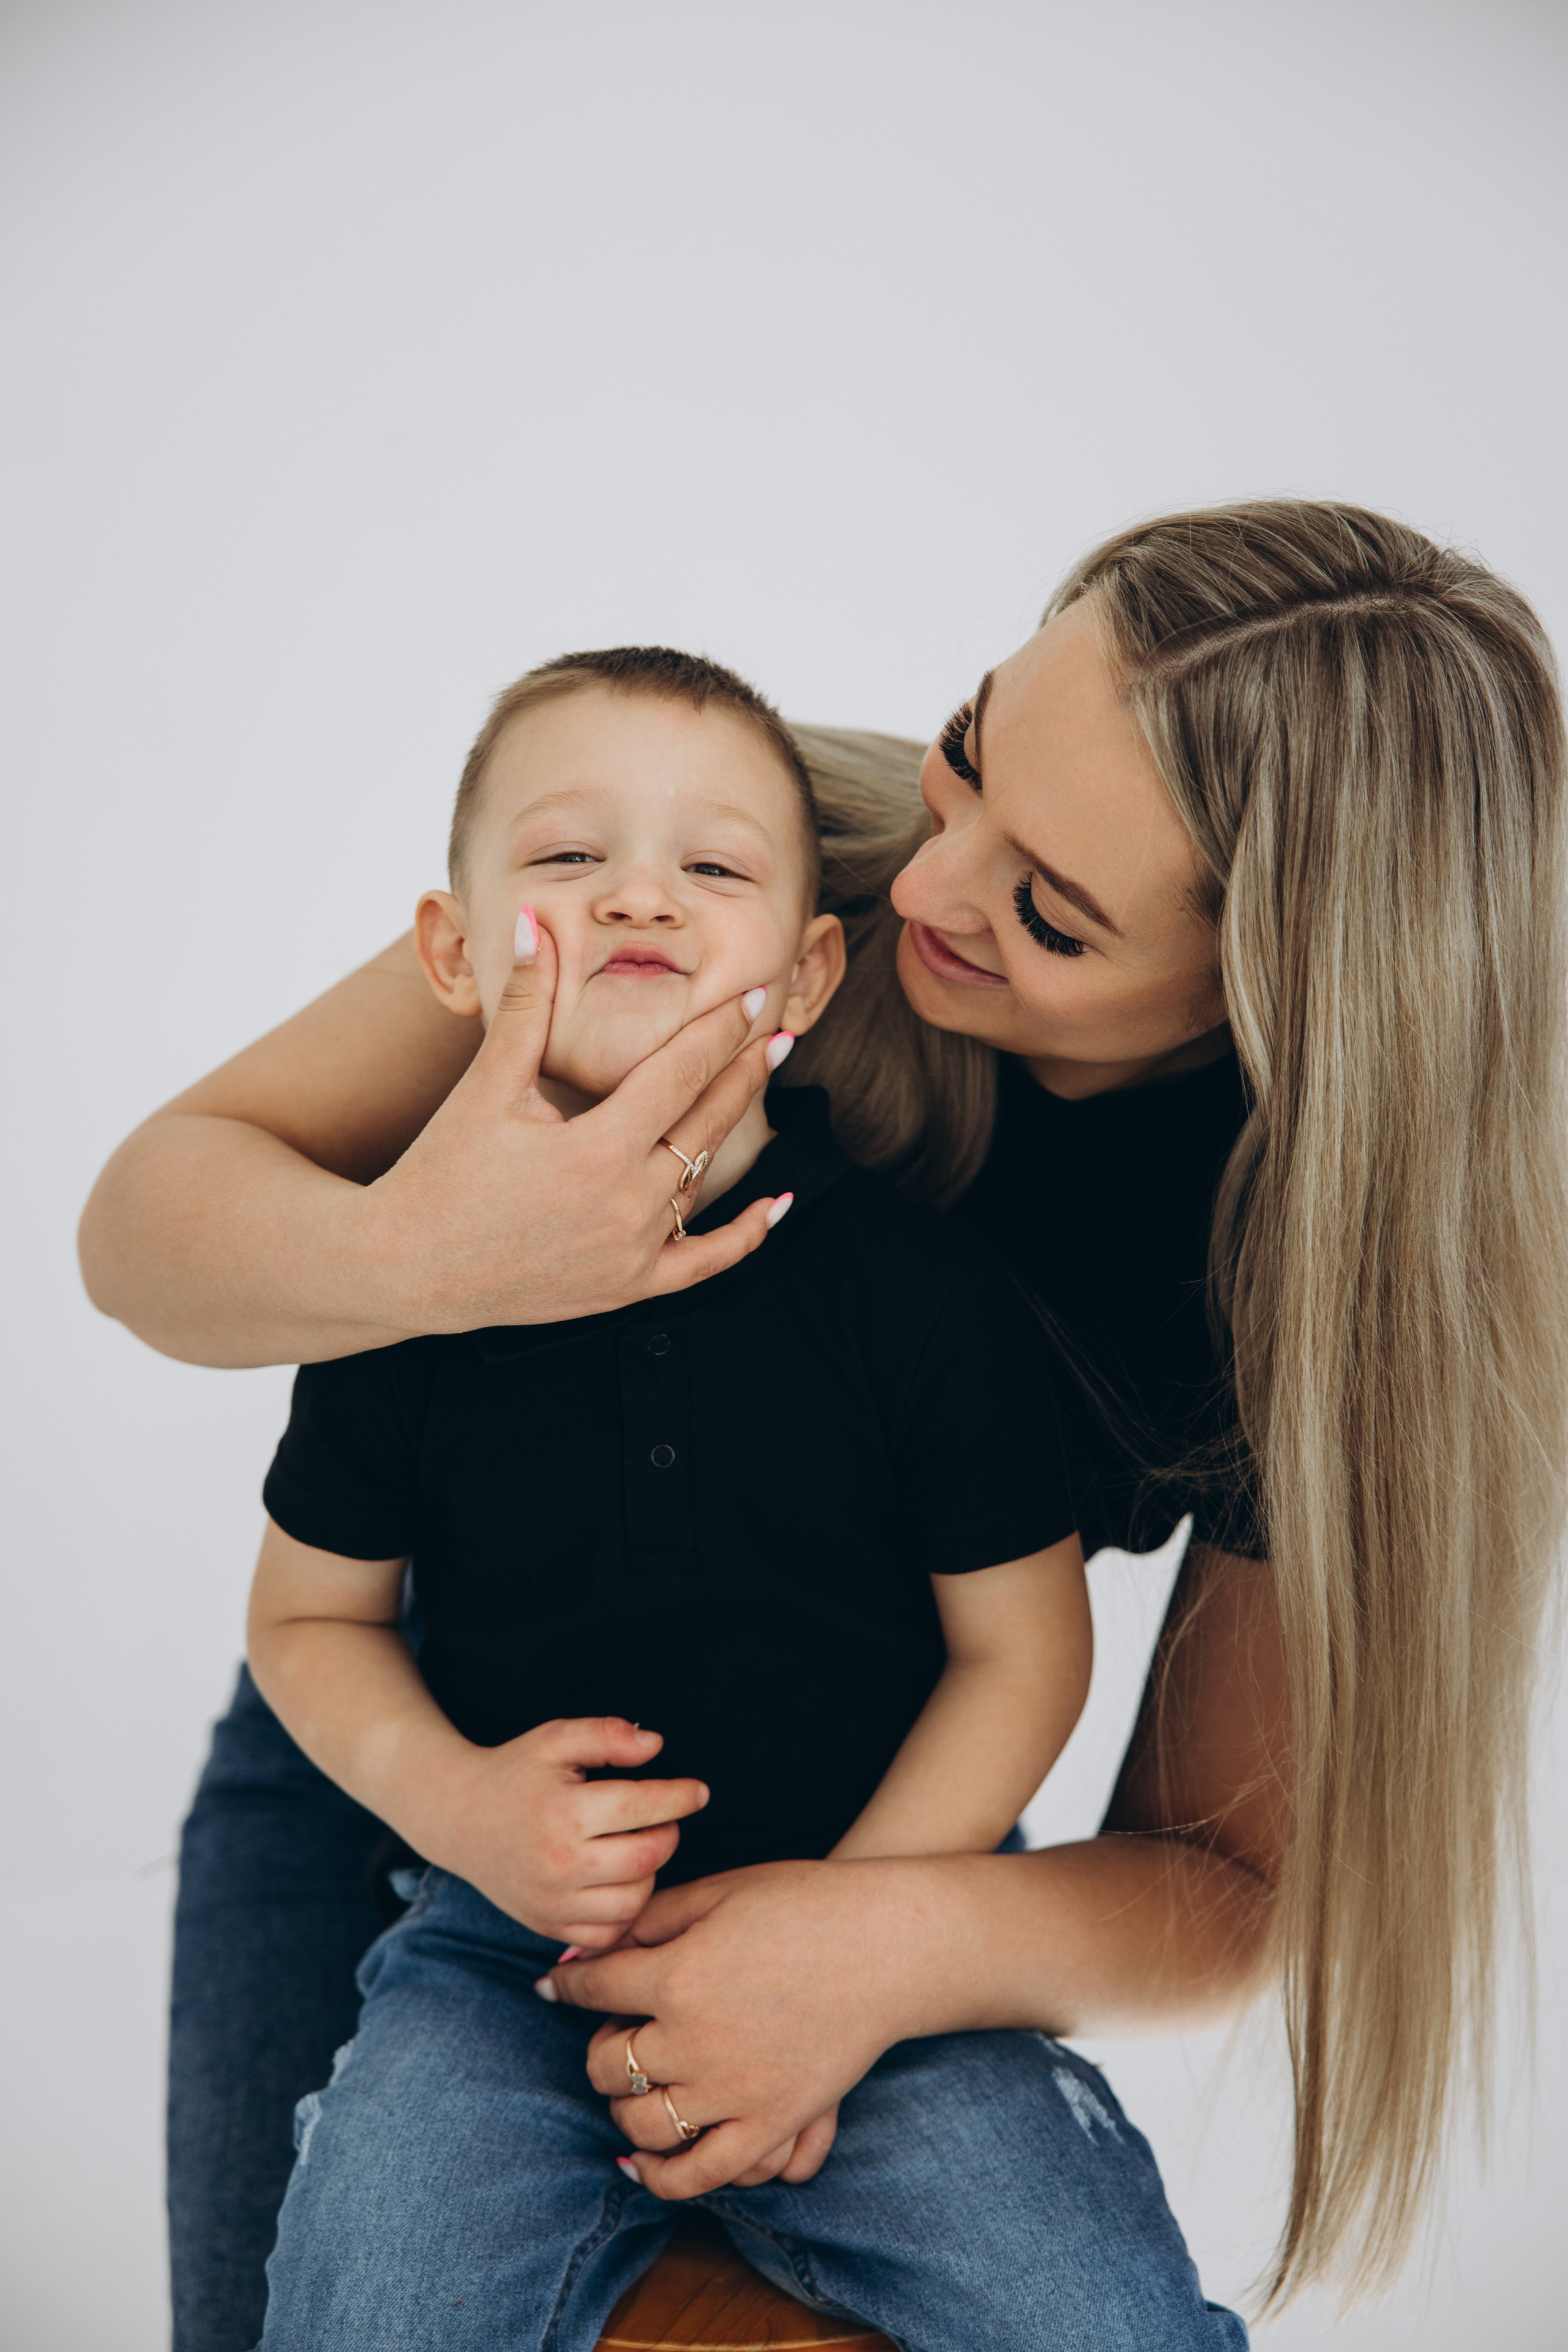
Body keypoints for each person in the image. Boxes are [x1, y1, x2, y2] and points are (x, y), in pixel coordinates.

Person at [78, 502, 1568, 2350]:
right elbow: (142, 1239)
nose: (925, 896)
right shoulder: (728, 878)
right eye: (971, 756)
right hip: (400, 1786)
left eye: (1052, 912)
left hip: (890, 1845)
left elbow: (1228, 1877)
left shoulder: (1327, 1294)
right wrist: (422, 1251)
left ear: (1279, 996)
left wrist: (863, 1945)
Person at [246, 642, 1105, 2347]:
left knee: (1096, 2312)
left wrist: (851, 1946)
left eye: (709, 867)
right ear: (450, 947)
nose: (640, 893)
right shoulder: (409, 1294)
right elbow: (307, 1615)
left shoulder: (917, 1296)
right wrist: (462, 1807)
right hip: (505, 1966)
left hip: (889, 1925)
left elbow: (1028, 1657)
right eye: (570, 859)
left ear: (807, 965)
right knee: (368, 2306)